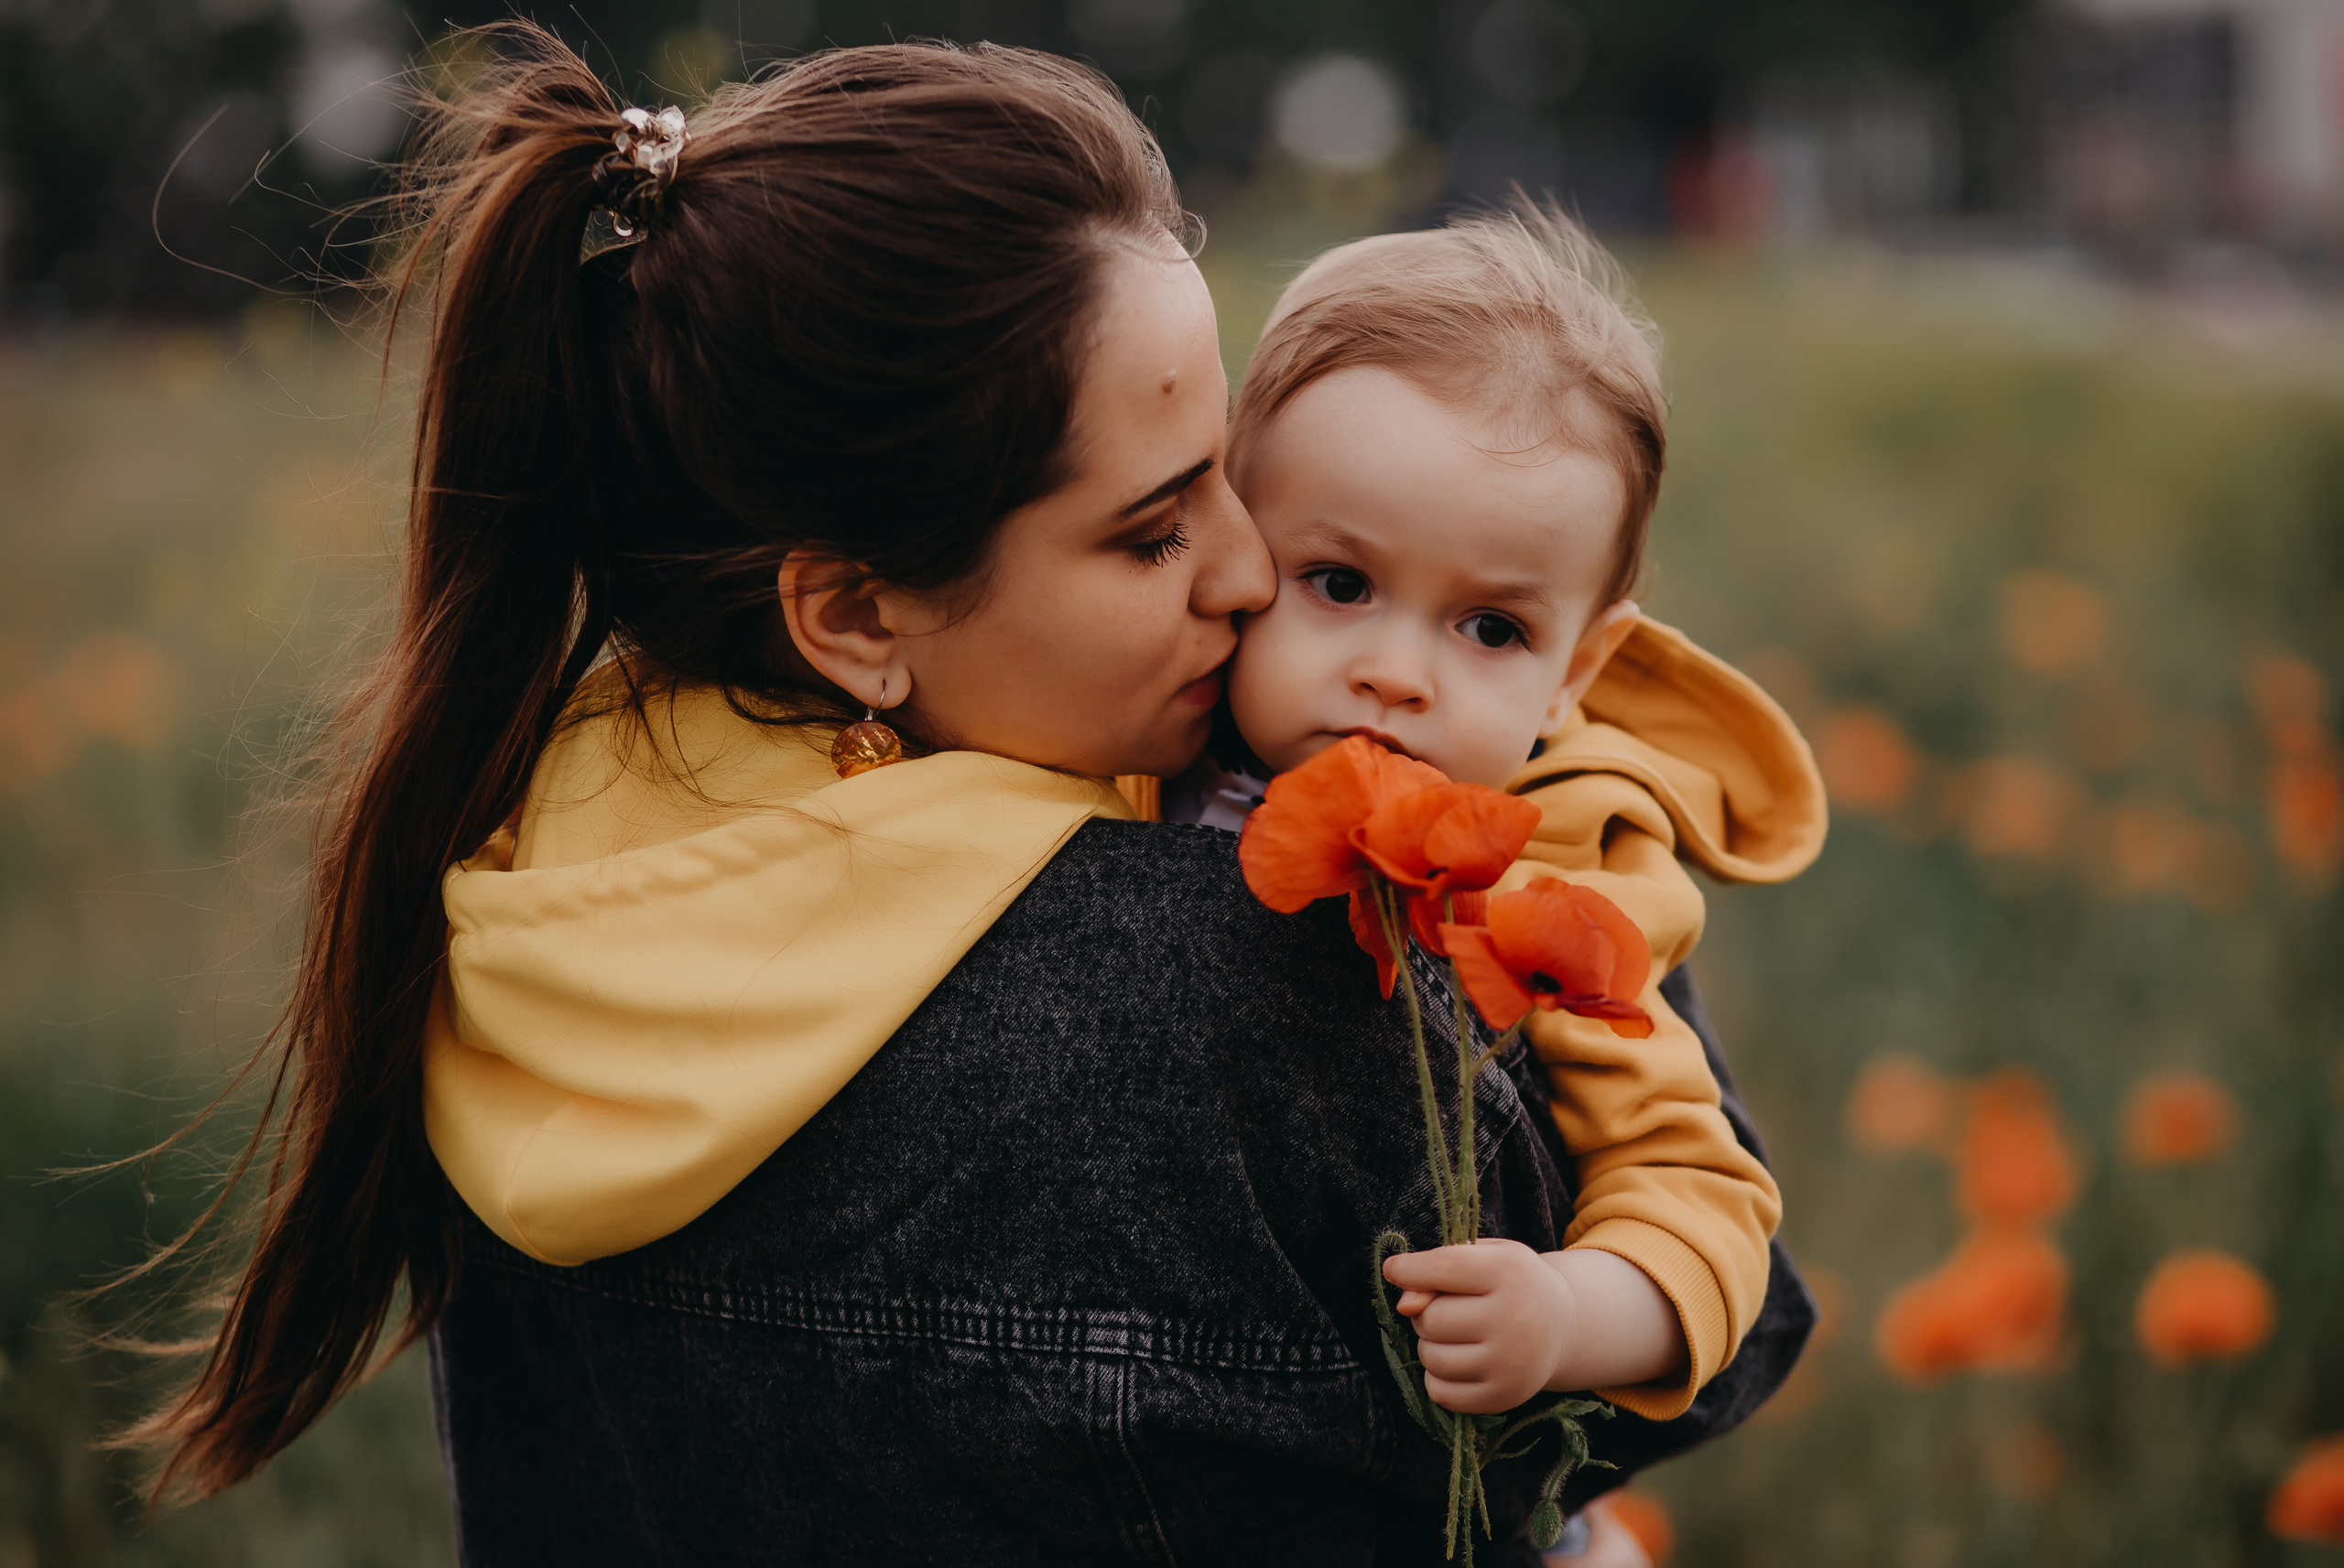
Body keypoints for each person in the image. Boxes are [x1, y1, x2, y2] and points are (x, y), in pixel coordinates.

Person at [127, 27, 1812, 1563]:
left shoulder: (515, 885)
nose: (1245, 574)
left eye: (1229, 477)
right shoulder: (1288, 980)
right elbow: (1678, 1364)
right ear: (857, 614)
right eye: (1155, 528)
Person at [1153, 206, 1828, 1467]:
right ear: (1238, 540)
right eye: (1340, 583)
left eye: (1493, 630)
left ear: (1583, 666)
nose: (1396, 674)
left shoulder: (1569, 868)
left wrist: (1570, 1312)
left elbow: (1707, 1192)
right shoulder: (1146, 738)